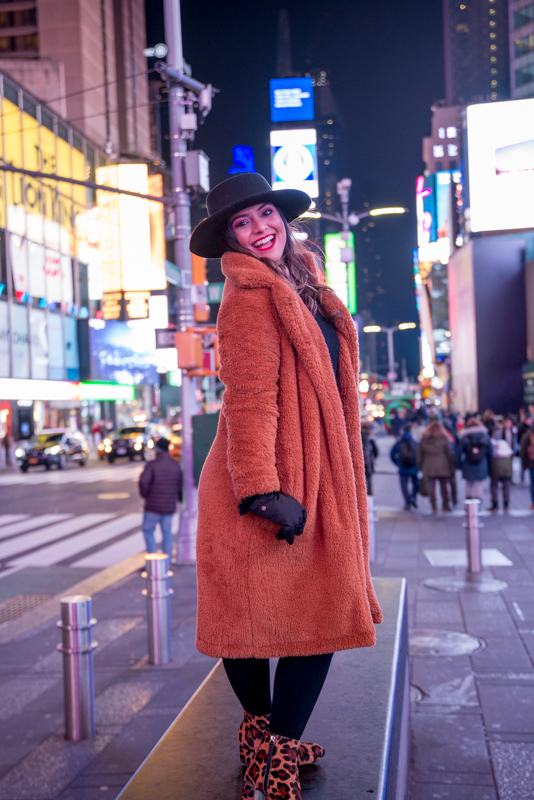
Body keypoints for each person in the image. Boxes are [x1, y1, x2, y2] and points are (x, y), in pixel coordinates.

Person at [189, 172, 382, 800]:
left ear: (283, 217)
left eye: (265, 214)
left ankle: (269, 741)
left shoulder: (304, 285)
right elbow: (248, 399)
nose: (258, 229)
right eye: (241, 224)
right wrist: (260, 491)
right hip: (268, 480)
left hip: (311, 471)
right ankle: (274, 755)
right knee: (257, 618)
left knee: (308, 610)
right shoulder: (249, 297)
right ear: (230, 240)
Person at [139, 437, 183, 559]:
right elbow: (180, 486)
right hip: (169, 506)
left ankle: (153, 557)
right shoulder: (175, 465)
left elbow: (143, 482)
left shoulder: (152, 465)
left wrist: (146, 495)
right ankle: (167, 560)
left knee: (148, 530)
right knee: (167, 533)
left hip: (153, 506)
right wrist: (177, 499)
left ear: (157, 449)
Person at [417, 421, 455, 514]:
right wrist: (452, 466)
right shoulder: (443, 439)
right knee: (444, 487)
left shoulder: (424, 439)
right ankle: (445, 506)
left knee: (431, 488)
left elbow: (419, 455)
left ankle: (434, 507)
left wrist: (421, 466)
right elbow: (449, 454)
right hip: (443, 465)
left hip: (428, 466)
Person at [458, 418, 492, 501]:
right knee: (478, 484)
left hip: (468, 463)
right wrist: (489, 464)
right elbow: (490, 452)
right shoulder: (485, 436)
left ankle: (468, 504)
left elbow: (459, 452)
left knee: (468, 484)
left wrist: (459, 465)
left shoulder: (464, 437)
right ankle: (478, 504)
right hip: (481, 463)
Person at [390, 424, 419, 510]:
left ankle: (407, 502)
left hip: (402, 467)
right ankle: (413, 497)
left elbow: (392, 455)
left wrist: (397, 463)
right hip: (414, 467)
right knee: (415, 483)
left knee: (404, 485)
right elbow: (420, 454)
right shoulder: (415, 442)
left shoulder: (399, 442)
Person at [489, 427, 513, 512]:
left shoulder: (494, 447)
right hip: (506, 471)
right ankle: (506, 504)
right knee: (506, 487)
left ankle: (495, 504)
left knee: (494, 487)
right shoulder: (507, 451)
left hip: (496, 470)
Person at [361, 422, 379, 495]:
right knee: (369, 480)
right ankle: (369, 494)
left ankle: (363, 494)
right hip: (368, 463)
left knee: (361, 481)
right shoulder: (370, 439)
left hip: (360, 464)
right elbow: (376, 452)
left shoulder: (358, 438)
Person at [519, 421, 534, 509]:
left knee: (533, 483)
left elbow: (523, 451)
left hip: (531, 463)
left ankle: (533, 503)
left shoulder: (527, 435)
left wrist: (523, 465)